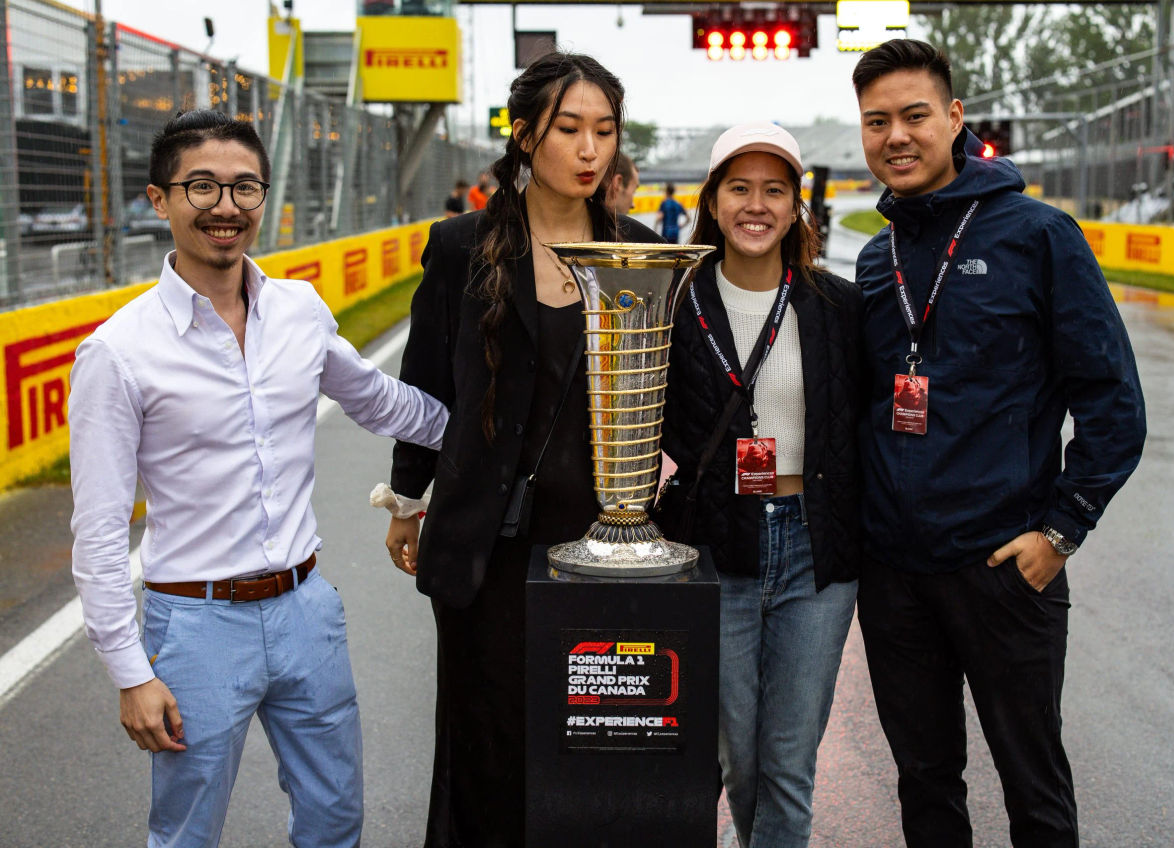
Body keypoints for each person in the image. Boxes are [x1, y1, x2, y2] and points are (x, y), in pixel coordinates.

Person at [67, 110, 449, 846]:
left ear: (264, 198)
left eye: (245, 187)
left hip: (306, 612)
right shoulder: (117, 352)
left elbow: (379, 399)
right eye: (201, 186)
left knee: (336, 816)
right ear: (160, 199)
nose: (225, 207)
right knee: (187, 833)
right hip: (195, 627)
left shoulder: (299, 311)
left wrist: (491, 436)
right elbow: (100, 530)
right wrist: (129, 672)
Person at [851, 39, 1147, 847]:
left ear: (953, 118)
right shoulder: (877, 259)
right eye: (877, 122)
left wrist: (1059, 532)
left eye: (914, 115)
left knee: (1033, 785)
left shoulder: (1040, 235)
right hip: (895, 576)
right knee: (924, 781)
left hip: (1003, 566)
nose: (896, 137)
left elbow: (1113, 400)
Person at [383, 52, 661, 847]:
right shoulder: (461, 245)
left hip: (603, 541)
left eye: (604, 131)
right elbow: (426, 386)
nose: (588, 151)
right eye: (568, 128)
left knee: (595, 741)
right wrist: (408, 500)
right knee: (488, 746)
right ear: (524, 134)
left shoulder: (639, 252)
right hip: (488, 541)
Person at [661, 122, 865, 848]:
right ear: (712, 202)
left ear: (796, 205)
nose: (757, 205)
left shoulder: (837, 306)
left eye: (774, 190)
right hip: (716, 553)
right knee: (738, 758)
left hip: (815, 551)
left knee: (787, 761)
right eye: (739, 188)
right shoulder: (674, 304)